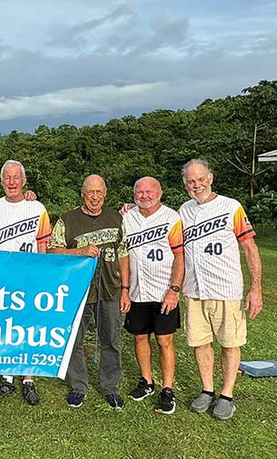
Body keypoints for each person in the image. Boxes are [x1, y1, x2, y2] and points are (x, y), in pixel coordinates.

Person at [179, 159, 262, 420]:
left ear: (211, 178)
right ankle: (207, 390)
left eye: (201, 179)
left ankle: (227, 395)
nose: (197, 185)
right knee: (200, 343)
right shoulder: (184, 210)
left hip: (226, 289)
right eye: (191, 181)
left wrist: (256, 288)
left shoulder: (231, 207)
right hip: (194, 289)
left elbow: (249, 248)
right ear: (185, 184)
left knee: (229, 343)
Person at [48, 174, 130, 410]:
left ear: (105, 194)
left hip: (110, 288)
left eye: (99, 192)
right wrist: (79, 251)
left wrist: (125, 288)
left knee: (111, 339)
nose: (95, 197)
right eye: (90, 192)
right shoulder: (68, 219)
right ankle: (78, 386)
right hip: (79, 289)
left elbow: (124, 255)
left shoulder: (116, 218)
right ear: (83, 193)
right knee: (74, 339)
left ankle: (111, 387)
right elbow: (53, 251)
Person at [0, 160, 52, 406]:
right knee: (4, 326)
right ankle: (6, 376)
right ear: (1, 181)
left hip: (28, 278)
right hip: (0, 279)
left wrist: (42, 277)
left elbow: (43, 246)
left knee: (27, 328)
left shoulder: (37, 208)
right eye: (7, 177)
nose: (11, 182)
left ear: (24, 181)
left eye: (16, 177)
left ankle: (28, 379)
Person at [122, 177, 184, 414]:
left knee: (164, 340)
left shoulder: (172, 218)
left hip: (163, 292)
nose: (144, 195)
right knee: (139, 337)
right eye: (139, 191)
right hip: (138, 290)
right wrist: (125, 289)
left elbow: (180, 256)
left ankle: (167, 389)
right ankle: (146, 381)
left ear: (160, 192)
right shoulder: (127, 217)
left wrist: (174, 289)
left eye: (149, 191)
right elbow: (124, 256)